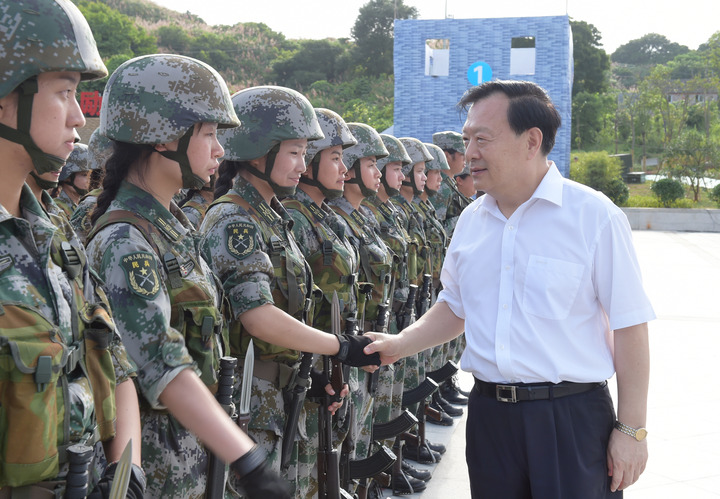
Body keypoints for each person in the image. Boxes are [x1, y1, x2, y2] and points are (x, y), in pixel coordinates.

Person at [365, 80, 654, 498]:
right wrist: (400, 344)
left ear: (531, 141)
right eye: (467, 139)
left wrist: (631, 430)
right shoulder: (471, 222)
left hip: (570, 420)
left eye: (482, 139)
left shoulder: (593, 217)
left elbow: (630, 326)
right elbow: (455, 306)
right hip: (491, 420)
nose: (469, 153)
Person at [85, 54, 291, 499]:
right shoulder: (126, 241)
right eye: (210, 134)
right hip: (160, 466)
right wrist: (247, 458)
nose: (220, 150)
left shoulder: (172, 229)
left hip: (192, 456)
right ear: (163, 137)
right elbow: (157, 361)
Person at [199, 85, 380, 498]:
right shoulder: (235, 219)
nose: (303, 164)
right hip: (253, 398)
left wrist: (313, 374)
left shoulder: (271, 215)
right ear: (258, 152)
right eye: (295, 152)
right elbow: (258, 317)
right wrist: (341, 347)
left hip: (281, 391)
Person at [0, 0, 143, 497]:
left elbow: (115, 364)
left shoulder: (54, 237)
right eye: (64, 92)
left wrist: (126, 472)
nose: (79, 118)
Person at [281, 107, 361, 497]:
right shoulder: (294, 218)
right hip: (312, 360)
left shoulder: (323, 216)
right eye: (335, 158)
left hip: (334, 355)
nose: (344, 169)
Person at [54, 142, 92, 218]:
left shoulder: (81, 205)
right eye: (84, 175)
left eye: (90, 175)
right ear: (67, 177)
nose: (89, 179)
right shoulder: (58, 209)